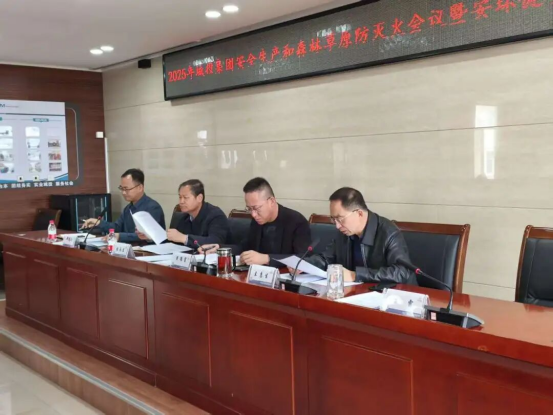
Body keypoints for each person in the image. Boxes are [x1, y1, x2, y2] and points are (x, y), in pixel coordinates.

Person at [308, 187, 417, 285]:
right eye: (333, 219)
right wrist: (305, 265)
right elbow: (327, 258)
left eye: (340, 219)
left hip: (395, 294)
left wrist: (355, 275)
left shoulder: (388, 232)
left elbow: (402, 272)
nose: (337, 225)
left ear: (359, 213)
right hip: (359, 292)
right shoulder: (345, 231)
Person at [201, 177, 311, 267]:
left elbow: (303, 258)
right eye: (249, 209)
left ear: (271, 201)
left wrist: (267, 258)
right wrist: (219, 248)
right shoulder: (257, 220)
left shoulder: (296, 221)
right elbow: (246, 247)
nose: (253, 214)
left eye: (256, 208)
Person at [82, 168, 165, 243]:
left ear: (140, 187)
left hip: (149, 251)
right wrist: (98, 223)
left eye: (127, 189)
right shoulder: (128, 208)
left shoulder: (153, 207)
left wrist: (119, 236)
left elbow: (147, 235)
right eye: (122, 188)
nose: (123, 192)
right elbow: (117, 227)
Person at [166, 179, 229, 247]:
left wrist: (185, 238)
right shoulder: (180, 217)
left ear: (199, 198)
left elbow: (215, 242)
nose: (181, 201)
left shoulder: (216, 215)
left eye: (185, 197)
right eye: (180, 197)